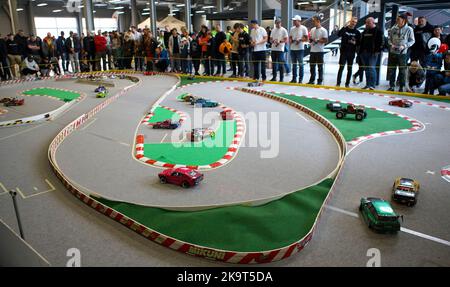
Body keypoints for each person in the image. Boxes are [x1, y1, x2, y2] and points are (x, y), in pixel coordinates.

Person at [387, 14, 415, 92]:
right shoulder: (393, 28)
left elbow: (412, 40)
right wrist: (391, 44)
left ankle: (401, 86)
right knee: (392, 70)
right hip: (393, 52)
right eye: (397, 19)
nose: (397, 20)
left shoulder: (409, 29)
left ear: (404, 20)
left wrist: (405, 46)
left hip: (402, 53)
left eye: (399, 19)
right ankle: (391, 86)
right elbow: (389, 39)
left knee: (402, 71)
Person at [359, 17, 383, 90]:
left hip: (373, 53)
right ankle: (368, 84)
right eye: (366, 23)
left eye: (368, 23)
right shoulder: (365, 31)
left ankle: (372, 85)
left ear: (373, 22)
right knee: (366, 69)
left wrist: (377, 51)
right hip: (364, 53)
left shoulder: (378, 31)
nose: (366, 24)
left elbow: (381, 42)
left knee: (371, 68)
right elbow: (362, 41)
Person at [336, 17, 361, 87]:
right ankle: (338, 83)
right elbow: (338, 34)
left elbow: (359, 43)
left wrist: (354, 42)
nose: (353, 23)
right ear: (350, 21)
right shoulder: (345, 29)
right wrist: (343, 26)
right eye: (353, 21)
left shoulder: (357, 32)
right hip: (343, 52)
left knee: (349, 68)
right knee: (341, 68)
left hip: (351, 53)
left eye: (355, 22)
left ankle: (347, 83)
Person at [308, 16, 328, 85]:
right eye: (313, 21)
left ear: (318, 21)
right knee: (312, 66)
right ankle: (312, 80)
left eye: (314, 21)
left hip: (320, 51)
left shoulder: (324, 30)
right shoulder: (312, 29)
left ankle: (320, 80)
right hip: (312, 50)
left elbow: (325, 40)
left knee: (320, 67)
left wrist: (318, 40)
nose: (313, 22)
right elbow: (310, 38)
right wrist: (310, 40)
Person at [289, 15, 308, 84]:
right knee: (294, 64)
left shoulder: (303, 28)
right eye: (293, 21)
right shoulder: (292, 29)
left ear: (299, 21)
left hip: (300, 48)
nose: (294, 22)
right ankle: (294, 78)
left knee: (300, 64)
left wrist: (300, 40)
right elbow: (290, 37)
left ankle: (300, 79)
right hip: (293, 48)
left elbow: (306, 38)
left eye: (295, 21)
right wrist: (291, 40)